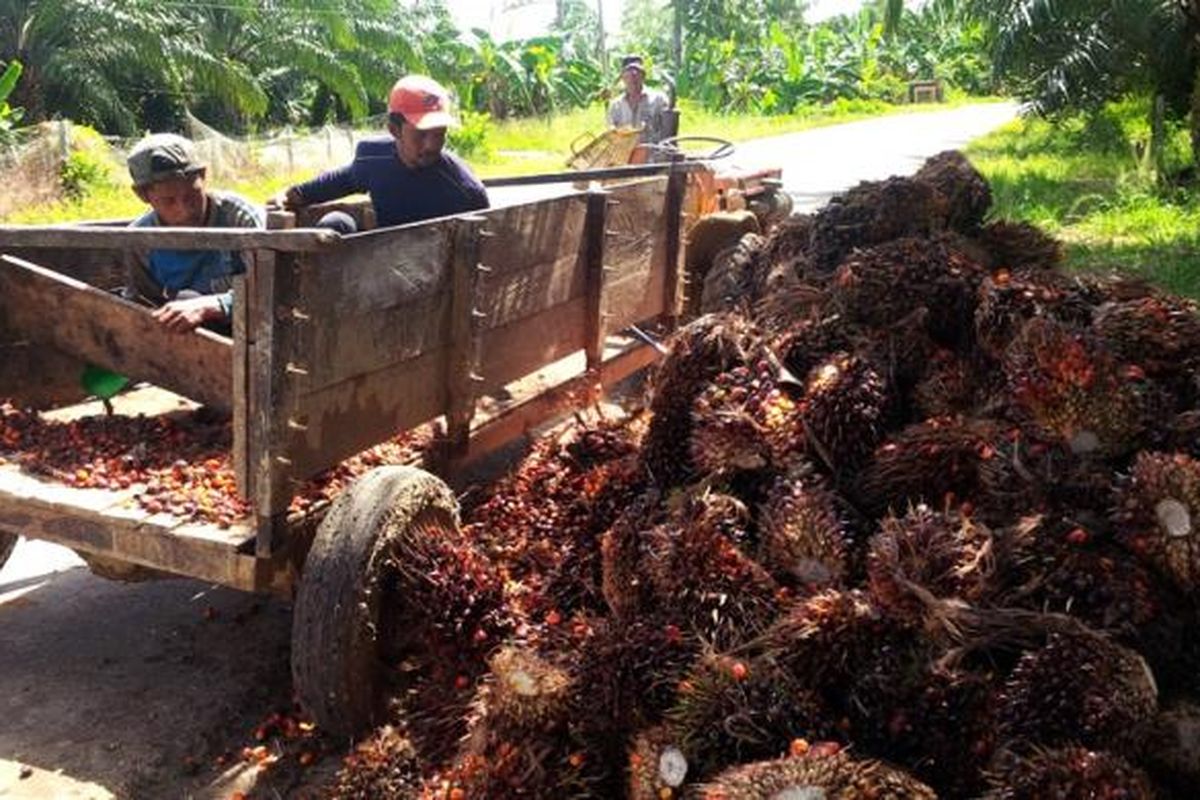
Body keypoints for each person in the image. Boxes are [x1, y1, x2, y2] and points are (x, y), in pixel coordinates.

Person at [275, 75, 489, 231]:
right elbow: (344, 179)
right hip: (385, 267)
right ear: (394, 130)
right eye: (422, 134)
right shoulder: (373, 159)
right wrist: (294, 194)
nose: (432, 145)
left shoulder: (465, 189)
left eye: (440, 133)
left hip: (440, 276)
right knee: (336, 223)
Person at [125, 132, 265, 334]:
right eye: (169, 201)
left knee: (189, 300)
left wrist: (215, 305)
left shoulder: (241, 220)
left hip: (249, 333)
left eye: (192, 195)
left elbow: (272, 291)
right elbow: (144, 303)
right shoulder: (141, 240)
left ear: (204, 176)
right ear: (142, 196)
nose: (184, 210)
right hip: (186, 344)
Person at [607, 55, 671, 151]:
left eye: (637, 73)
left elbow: (668, 133)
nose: (633, 77)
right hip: (625, 156)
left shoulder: (659, 99)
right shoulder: (616, 105)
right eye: (629, 73)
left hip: (653, 155)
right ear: (623, 78)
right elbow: (611, 132)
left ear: (643, 76)